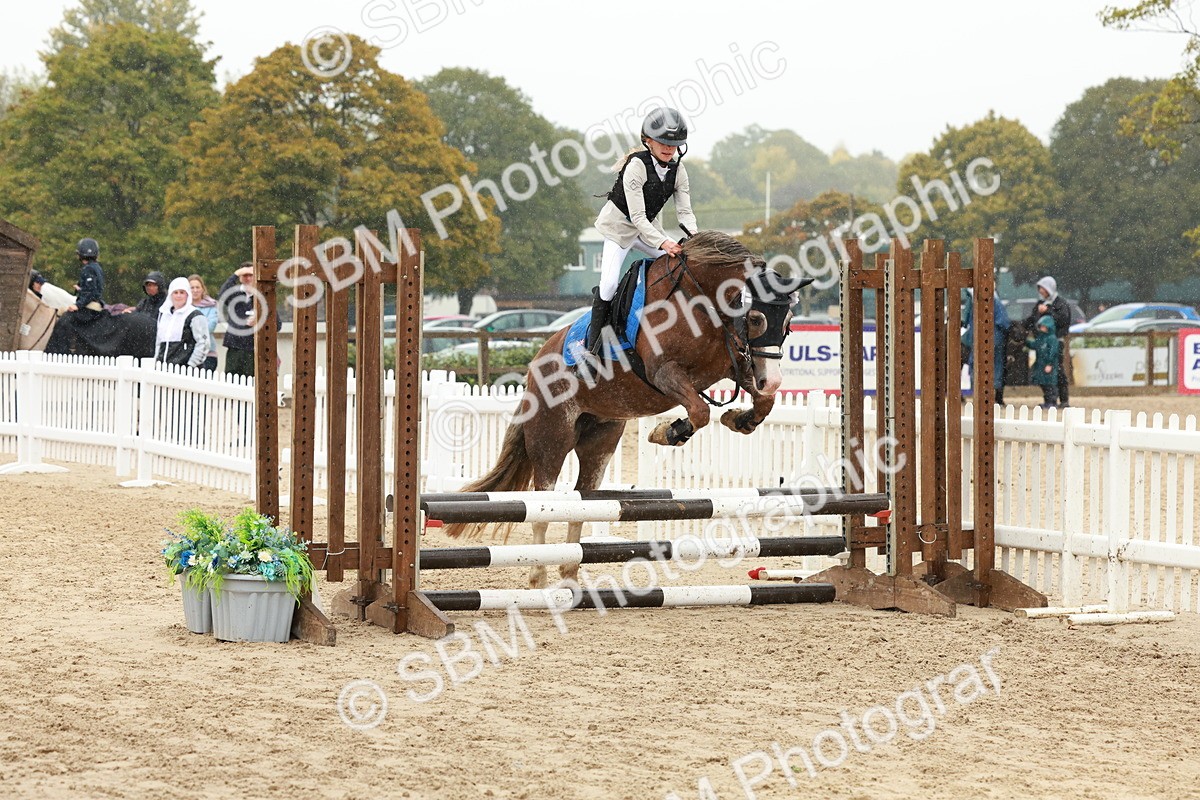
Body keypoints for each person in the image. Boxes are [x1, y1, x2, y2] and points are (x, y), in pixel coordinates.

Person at [587, 107, 698, 356]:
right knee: (608, 285)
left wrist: (696, 239)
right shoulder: (636, 165)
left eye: (675, 144)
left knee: (682, 266)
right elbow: (636, 218)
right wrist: (664, 243)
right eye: (663, 142)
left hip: (650, 229)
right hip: (620, 228)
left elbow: (685, 213)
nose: (669, 149)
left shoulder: (678, 170)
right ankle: (592, 347)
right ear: (647, 140)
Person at [218, 262, 278, 377]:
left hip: (255, 348)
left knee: (252, 383)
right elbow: (222, 295)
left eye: (251, 275)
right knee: (231, 382)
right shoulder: (234, 295)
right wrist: (235, 275)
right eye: (244, 275)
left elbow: (277, 324)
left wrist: (260, 321)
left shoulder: (264, 297)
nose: (248, 278)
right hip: (234, 347)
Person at [1024, 276, 1071, 407]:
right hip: (1041, 342)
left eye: (1043, 288)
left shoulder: (1060, 303)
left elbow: (1063, 320)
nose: (1040, 291)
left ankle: (1063, 400)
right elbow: (1032, 320)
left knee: (1058, 370)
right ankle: (1049, 400)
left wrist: (1049, 311)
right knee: (1042, 371)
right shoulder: (1040, 304)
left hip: (1056, 341)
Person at [961, 289, 1011, 405]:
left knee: (977, 365)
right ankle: (992, 397)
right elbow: (1004, 323)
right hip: (993, 339)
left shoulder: (975, 302)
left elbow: (967, 321)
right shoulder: (995, 303)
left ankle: (980, 395)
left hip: (980, 339)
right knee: (995, 367)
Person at [155, 277, 210, 368]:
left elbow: (203, 343)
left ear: (187, 294)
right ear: (170, 295)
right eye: (175, 292)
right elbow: (158, 342)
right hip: (163, 369)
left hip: (186, 370)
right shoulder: (164, 314)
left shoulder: (195, 315)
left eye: (182, 292)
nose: (179, 296)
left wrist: (191, 365)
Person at [1024, 315, 1059, 409]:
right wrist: (1025, 340)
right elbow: (1034, 345)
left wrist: (1049, 364)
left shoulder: (1052, 338)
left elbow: (1053, 352)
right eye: (1041, 326)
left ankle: (1052, 402)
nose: (1042, 328)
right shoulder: (1041, 338)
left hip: (1047, 365)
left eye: (1044, 326)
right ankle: (1048, 401)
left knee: (1050, 384)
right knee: (1043, 384)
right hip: (1040, 365)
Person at [65, 237, 105, 316]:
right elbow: (94, 288)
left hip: (90, 305)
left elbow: (91, 292)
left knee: (63, 316)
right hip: (97, 303)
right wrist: (81, 290)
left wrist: (77, 305)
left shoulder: (88, 268)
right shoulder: (97, 267)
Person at [189, 273, 219, 370]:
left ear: (203, 288)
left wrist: (191, 329)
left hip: (208, 353)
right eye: (192, 287)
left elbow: (210, 326)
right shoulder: (183, 308)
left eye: (198, 287)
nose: (195, 290)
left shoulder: (211, 305)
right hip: (187, 353)